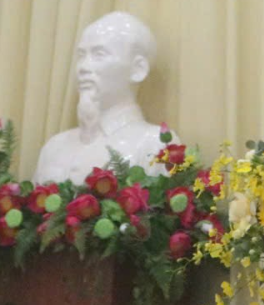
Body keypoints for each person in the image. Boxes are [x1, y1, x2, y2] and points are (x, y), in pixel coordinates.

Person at [33, 11, 167, 184]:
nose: (83, 67)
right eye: (81, 55)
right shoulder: (54, 147)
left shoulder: (155, 144)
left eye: (99, 54)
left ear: (137, 69)